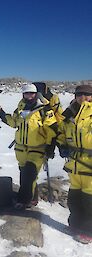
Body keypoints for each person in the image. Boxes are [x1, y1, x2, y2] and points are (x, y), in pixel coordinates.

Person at [0, 83, 58, 209]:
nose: (29, 95)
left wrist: (50, 147)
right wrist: (1, 112)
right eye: (26, 93)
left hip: (37, 148)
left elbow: (52, 128)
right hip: (21, 149)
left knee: (29, 174)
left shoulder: (44, 109)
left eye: (31, 93)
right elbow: (13, 123)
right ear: (23, 94)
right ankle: (32, 199)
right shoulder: (20, 108)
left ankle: (23, 200)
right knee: (25, 174)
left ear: (36, 94)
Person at [57, 84, 92, 244]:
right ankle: (75, 225)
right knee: (74, 199)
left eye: (86, 94)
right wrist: (62, 145)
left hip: (90, 167)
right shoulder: (69, 114)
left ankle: (88, 231)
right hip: (75, 166)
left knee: (89, 202)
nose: (82, 97)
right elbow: (62, 132)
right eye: (79, 94)